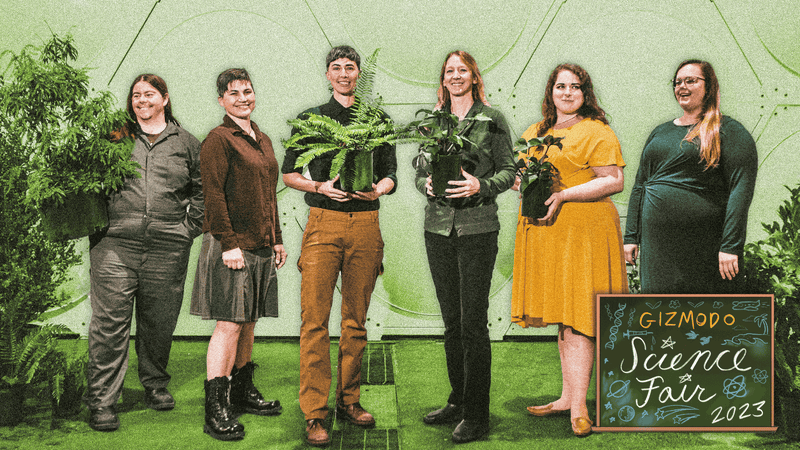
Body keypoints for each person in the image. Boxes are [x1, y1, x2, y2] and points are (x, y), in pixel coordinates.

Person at [282, 45, 397, 447]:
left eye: (351, 67)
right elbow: (289, 174)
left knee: (356, 319)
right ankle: (315, 413)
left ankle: (350, 400)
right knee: (314, 320)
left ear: (359, 73)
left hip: (366, 222)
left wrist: (375, 190)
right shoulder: (312, 119)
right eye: (337, 67)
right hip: (323, 223)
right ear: (327, 74)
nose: (344, 73)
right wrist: (319, 186)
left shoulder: (376, 120)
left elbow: (390, 175)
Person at [510, 63, 627, 437]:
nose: (566, 92)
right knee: (565, 315)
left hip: (585, 232)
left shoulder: (597, 130)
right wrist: (521, 183)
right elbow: (521, 175)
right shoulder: (535, 132)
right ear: (551, 92)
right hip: (549, 232)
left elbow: (613, 180)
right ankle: (565, 397)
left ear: (585, 92)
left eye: (575, 87)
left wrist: (563, 194)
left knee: (579, 316)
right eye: (560, 86)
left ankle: (579, 406)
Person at [85, 74, 203, 431]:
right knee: (109, 326)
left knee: (158, 323)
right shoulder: (114, 138)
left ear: (165, 99)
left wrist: (188, 229)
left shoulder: (185, 142)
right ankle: (102, 401)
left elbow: (201, 189)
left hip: (167, 247)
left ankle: (155, 385)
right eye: (136, 95)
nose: (141, 100)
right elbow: (87, 179)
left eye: (149, 94)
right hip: (114, 245)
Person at [415, 50, 516, 444]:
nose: (456, 76)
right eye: (449, 71)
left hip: (477, 229)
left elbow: (510, 170)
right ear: (443, 79)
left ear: (474, 77)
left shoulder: (492, 120)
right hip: (437, 228)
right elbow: (420, 168)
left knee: (473, 322)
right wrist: (423, 182)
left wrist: (481, 185)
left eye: (463, 71)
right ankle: (457, 401)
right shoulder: (433, 122)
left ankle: (477, 414)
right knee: (452, 322)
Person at [190, 68, 285, 441]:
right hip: (231, 245)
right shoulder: (218, 139)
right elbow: (212, 195)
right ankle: (215, 406)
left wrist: (276, 238)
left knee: (249, 321)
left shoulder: (260, 137)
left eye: (247, 91)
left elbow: (269, 193)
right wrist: (228, 244)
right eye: (234, 93)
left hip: (260, 244)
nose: (243, 98)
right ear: (221, 100)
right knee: (229, 324)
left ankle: (242, 391)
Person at [624, 60, 757, 294]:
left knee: (704, 317)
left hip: (703, 244)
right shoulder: (660, 131)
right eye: (677, 82)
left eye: (691, 81)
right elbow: (640, 185)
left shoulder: (729, 131)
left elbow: (740, 191)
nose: (682, 86)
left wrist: (730, 246)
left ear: (709, 86)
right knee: (661, 315)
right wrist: (631, 237)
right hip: (658, 246)